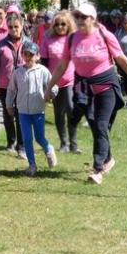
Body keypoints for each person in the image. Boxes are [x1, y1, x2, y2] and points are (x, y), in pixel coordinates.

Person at [46, 4, 127, 184]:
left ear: (93, 18)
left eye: (83, 17)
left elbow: (121, 60)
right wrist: (49, 87)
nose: (79, 20)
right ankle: (108, 159)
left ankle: (98, 169)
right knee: (96, 127)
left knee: (101, 125)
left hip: (106, 87)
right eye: (77, 16)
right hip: (85, 89)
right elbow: (62, 65)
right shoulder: (72, 39)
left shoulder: (104, 35)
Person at [6, 41, 58, 177]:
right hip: (23, 112)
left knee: (40, 138)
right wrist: (9, 104)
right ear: (22, 55)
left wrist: (51, 93)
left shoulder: (43, 71)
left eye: (31, 54)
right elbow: (11, 90)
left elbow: (53, 86)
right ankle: (32, 165)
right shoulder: (18, 73)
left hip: (38, 111)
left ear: (37, 56)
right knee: (27, 139)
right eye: (25, 54)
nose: (28, 57)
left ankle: (49, 149)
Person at [0, 14, 32, 160]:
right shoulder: (0, 45)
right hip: (5, 86)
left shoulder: (28, 43)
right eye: (11, 27)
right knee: (8, 115)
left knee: (21, 116)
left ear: (21, 26)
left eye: (16, 27)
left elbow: (33, 64)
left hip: (23, 85)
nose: (14, 30)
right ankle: (11, 141)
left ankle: (22, 147)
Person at [39, 11, 79, 153]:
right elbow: (43, 62)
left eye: (63, 24)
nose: (60, 27)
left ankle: (74, 144)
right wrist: (46, 84)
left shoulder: (73, 38)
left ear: (68, 25)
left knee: (71, 109)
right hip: (54, 81)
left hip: (71, 80)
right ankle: (64, 143)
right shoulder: (47, 39)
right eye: (57, 24)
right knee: (59, 113)